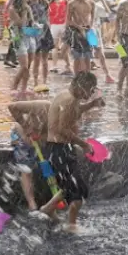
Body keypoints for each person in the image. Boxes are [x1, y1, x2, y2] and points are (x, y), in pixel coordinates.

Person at [39, 72, 104, 232]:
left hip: (59, 149)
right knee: (78, 191)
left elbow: (74, 112)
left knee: (70, 185)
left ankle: (47, 209)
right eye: (89, 90)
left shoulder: (67, 96)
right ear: (80, 86)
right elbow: (62, 129)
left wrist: (91, 104)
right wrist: (84, 145)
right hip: (59, 150)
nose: (89, 94)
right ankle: (71, 225)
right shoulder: (69, 101)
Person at [7, 100, 51, 214]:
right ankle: (32, 204)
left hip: (37, 138)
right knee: (26, 169)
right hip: (21, 132)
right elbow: (12, 106)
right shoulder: (41, 106)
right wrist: (26, 128)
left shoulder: (59, 122)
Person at [9, 0, 37, 94]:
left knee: (28, 66)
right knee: (24, 66)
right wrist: (25, 11)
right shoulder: (12, 9)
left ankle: (24, 87)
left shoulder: (28, 7)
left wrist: (36, 26)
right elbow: (21, 23)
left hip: (29, 36)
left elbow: (32, 22)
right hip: (18, 37)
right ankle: (14, 86)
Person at [65, 0, 94, 74]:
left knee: (89, 56)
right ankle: (76, 78)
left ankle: (88, 77)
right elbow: (68, 20)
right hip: (76, 30)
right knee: (77, 56)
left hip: (89, 30)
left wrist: (90, 27)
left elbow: (93, 17)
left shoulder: (91, 2)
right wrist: (78, 27)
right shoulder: (71, 3)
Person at [48, 0, 72, 75]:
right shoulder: (65, 3)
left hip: (54, 26)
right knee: (65, 47)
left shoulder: (50, 4)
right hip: (63, 25)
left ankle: (54, 65)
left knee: (54, 47)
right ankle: (68, 64)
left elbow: (48, 16)